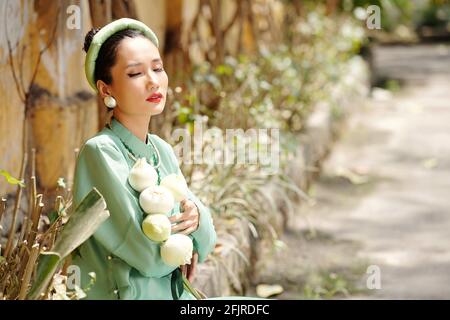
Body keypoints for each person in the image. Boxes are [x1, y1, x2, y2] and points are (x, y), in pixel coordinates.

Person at [71, 18, 217, 300]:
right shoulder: (100, 152)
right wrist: (188, 241)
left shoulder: (161, 150)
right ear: (106, 90)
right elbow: (149, 255)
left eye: (157, 68)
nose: (153, 81)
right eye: (136, 73)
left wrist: (197, 218)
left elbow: (206, 244)